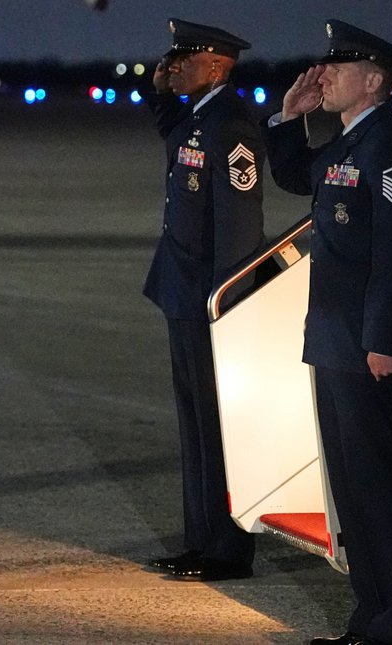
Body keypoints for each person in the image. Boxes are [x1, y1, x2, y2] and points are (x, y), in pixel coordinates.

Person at [266, 20, 392, 645]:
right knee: (353, 491)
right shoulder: (350, 140)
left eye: (339, 68)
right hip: (336, 340)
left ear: (373, 81)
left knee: (380, 491)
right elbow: (296, 178)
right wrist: (290, 118)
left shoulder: (390, 147)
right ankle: (371, 622)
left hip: (368, 347)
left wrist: (385, 340)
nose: (325, 74)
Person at [141, 18, 264, 582]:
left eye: (183, 59)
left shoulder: (230, 125)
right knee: (193, 423)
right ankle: (201, 541)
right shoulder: (198, 116)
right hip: (182, 291)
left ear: (215, 66)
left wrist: (226, 302)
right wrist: (160, 91)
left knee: (215, 426)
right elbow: (173, 135)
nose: (173, 66)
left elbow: (239, 227)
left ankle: (228, 550)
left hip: (208, 300)